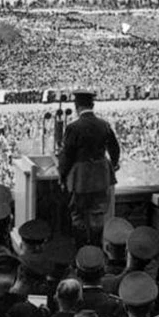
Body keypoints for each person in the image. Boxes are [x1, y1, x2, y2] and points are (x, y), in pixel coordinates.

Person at [57, 91, 120, 248]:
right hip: (101, 176)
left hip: (81, 179)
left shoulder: (73, 127)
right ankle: (96, 251)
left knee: (78, 215)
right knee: (97, 214)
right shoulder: (104, 124)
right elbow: (115, 148)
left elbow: (67, 156)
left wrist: (62, 175)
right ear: (92, 105)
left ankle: (82, 252)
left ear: (76, 107)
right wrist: (113, 164)